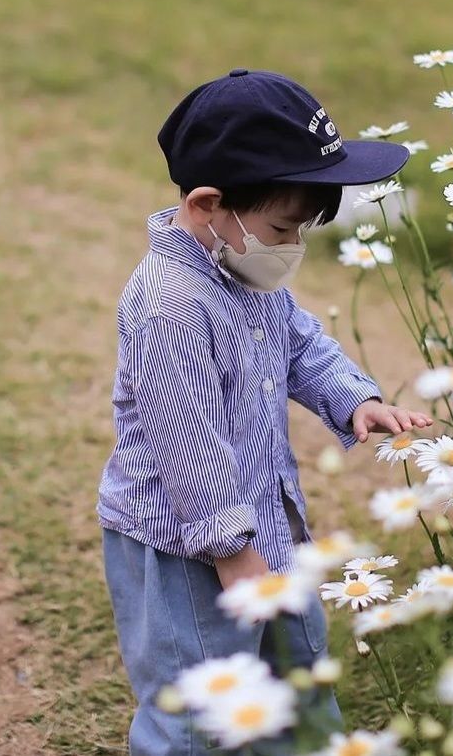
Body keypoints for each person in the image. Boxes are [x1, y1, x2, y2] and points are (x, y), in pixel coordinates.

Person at [96, 68, 433, 755]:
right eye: (284, 226)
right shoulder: (172, 309)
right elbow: (185, 446)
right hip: (186, 544)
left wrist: (353, 396)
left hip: (267, 520)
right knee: (199, 706)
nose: (294, 247)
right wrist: (231, 550)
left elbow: (298, 339)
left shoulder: (244, 269)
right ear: (207, 205)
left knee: (296, 679)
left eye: (303, 229)